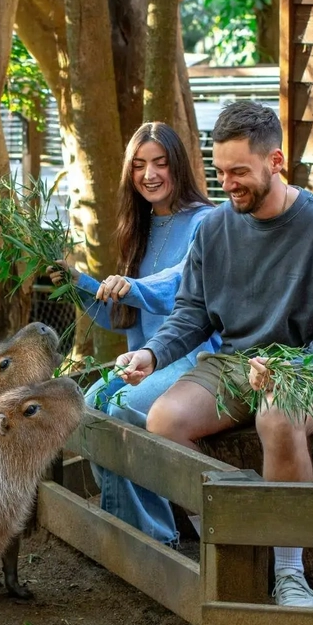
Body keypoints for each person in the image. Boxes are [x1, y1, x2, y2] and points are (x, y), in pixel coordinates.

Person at [115, 100, 313, 607]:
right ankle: (231, 535)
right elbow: (192, 314)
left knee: (277, 421)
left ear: (276, 162)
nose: (227, 184)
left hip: (306, 371)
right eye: (219, 171)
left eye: (239, 172)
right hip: (233, 365)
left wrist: (294, 367)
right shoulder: (213, 229)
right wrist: (152, 354)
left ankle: (289, 573)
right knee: (163, 420)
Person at [51, 121, 219, 546]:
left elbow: (183, 282)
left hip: (193, 359)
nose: (150, 175)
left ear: (178, 166)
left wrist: (135, 286)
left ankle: (153, 539)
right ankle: (128, 530)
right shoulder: (139, 229)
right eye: (140, 165)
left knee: (119, 407)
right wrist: (79, 283)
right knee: (90, 408)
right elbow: (124, 316)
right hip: (145, 357)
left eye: (160, 163)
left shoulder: (208, 222)